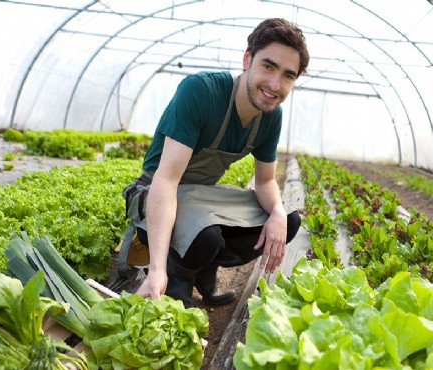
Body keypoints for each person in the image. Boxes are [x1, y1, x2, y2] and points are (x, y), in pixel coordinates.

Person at [120, 18, 309, 308]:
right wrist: (156, 269)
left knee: (286, 221)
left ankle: (204, 269)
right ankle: (175, 279)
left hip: (199, 198)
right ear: (248, 60)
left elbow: (265, 181)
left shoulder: (270, 117)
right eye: (268, 66)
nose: (274, 84)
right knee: (206, 235)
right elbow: (166, 180)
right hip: (154, 193)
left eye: (287, 75)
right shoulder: (201, 92)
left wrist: (278, 213)